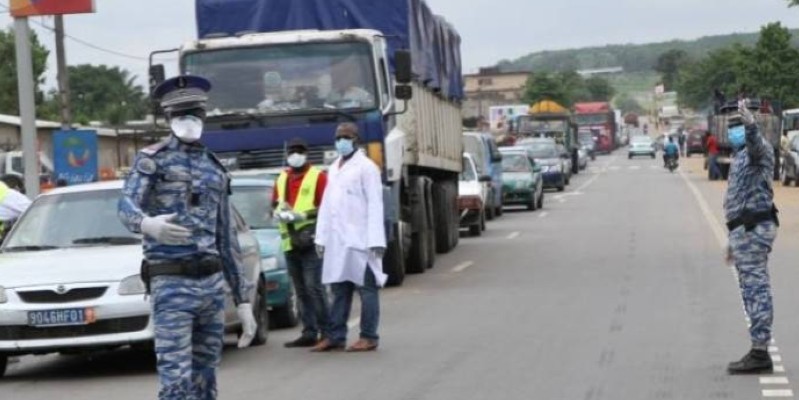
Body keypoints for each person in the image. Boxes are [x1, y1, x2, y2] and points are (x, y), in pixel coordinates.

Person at [118, 75, 257, 399]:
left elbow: (226, 239)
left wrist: (243, 300)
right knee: (176, 383)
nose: (189, 120)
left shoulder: (214, 168)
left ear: (204, 115)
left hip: (211, 286)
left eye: (194, 112)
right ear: (168, 117)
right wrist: (146, 224)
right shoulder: (152, 160)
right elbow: (125, 205)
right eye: (180, 114)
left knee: (206, 381)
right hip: (172, 283)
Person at [312, 122, 386, 352]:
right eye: (338, 137)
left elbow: (375, 204)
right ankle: (336, 336)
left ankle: (369, 336)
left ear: (356, 140)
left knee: (366, 289)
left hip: (361, 240)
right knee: (339, 289)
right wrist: (321, 237)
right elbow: (327, 205)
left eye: (346, 137)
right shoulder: (334, 168)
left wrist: (376, 240)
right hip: (338, 241)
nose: (341, 141)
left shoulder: (367, 168)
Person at [723, 100, 779, 375]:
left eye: (738, 124)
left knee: (756, 288)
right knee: (750, 288)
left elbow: (755, 143)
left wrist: (751, 126)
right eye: (731, 125)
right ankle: (758, 349)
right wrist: (732, 238)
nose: (733, 129)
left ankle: (760, 352)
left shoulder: (759, 150)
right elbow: (739, 199)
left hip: (754, 228)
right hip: (744, 230)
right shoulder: (740, 156)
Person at [271, 137, 332, 348]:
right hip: (290, 242)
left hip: (311, 240)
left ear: (306, 155)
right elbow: (274, 204)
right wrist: (279, 213)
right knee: (301, 290)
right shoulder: (282, 178)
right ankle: (309, 332)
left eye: (299, 151)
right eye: (291, 151)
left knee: (314, 287)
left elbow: (327, 207)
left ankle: (327, 332)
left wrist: (303, 215)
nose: (295, 155)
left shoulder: (318, 177)